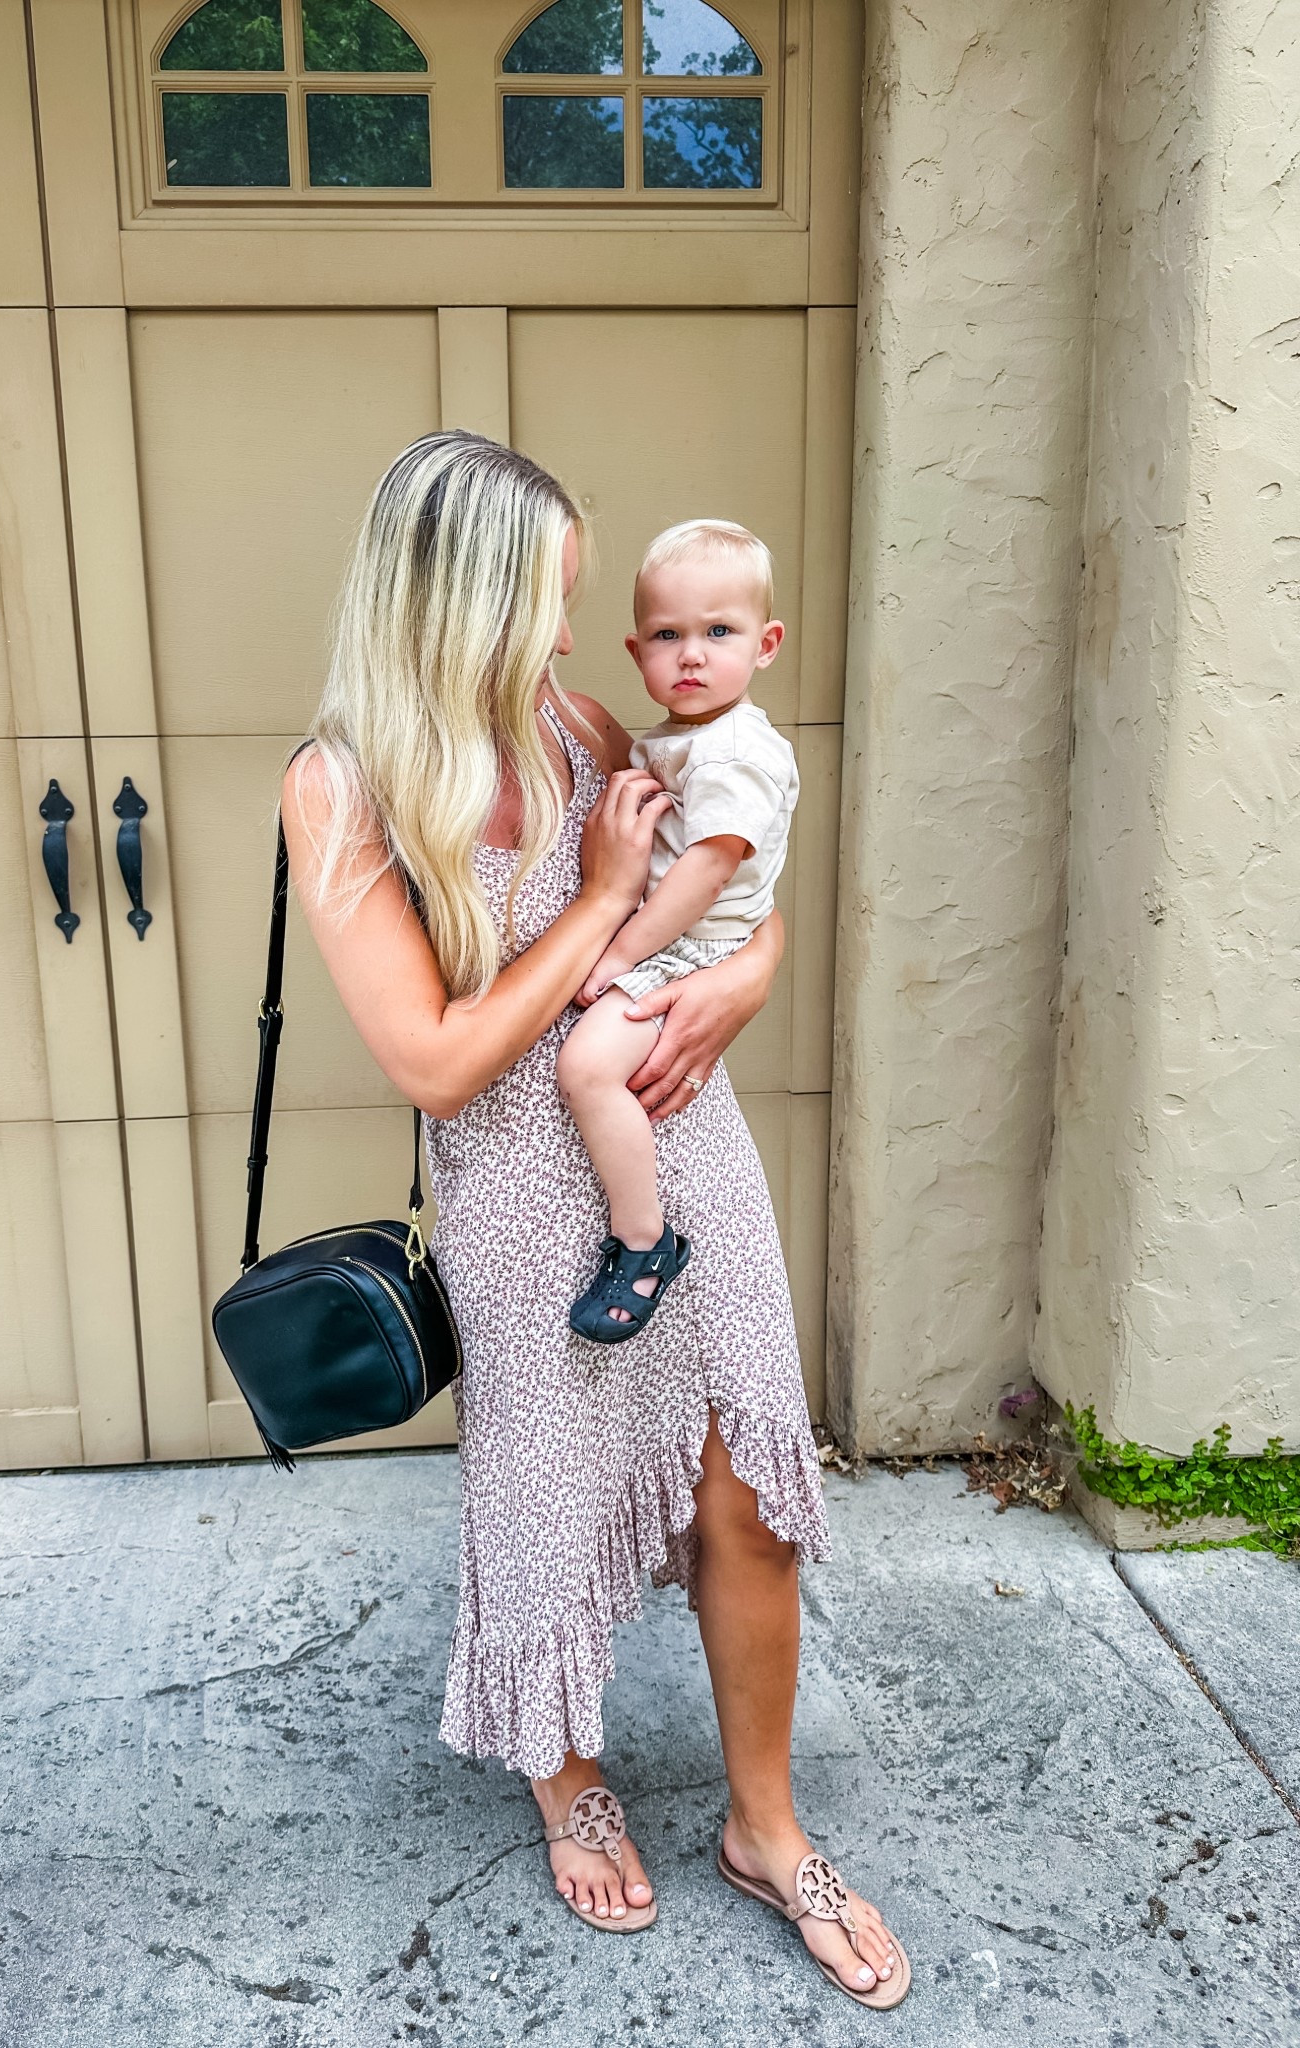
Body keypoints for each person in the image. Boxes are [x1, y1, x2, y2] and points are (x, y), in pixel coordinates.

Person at [283, 431, 908, 2006]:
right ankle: (568, 1779)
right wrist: (588, 908)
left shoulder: (574, 720)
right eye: (547, 599)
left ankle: (766, 1827)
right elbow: (434, 1056)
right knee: (550, 1508)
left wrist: (749, 983)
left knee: (745, 1498)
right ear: (465, 600)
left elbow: (720, 888)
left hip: (676, 1146)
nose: (571, 639)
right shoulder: (342, 784)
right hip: (512, 1184)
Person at [557, 519, 801, 1345]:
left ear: (766, 644)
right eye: (669, 635)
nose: (691, 655)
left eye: (718, 632)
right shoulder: (687, 739)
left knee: (589, 1067)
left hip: (687, 949)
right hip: (681, 940)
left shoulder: (733, 751)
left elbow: (708, 866)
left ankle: (643, 1242)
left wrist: (621, 948)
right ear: (636, 652)